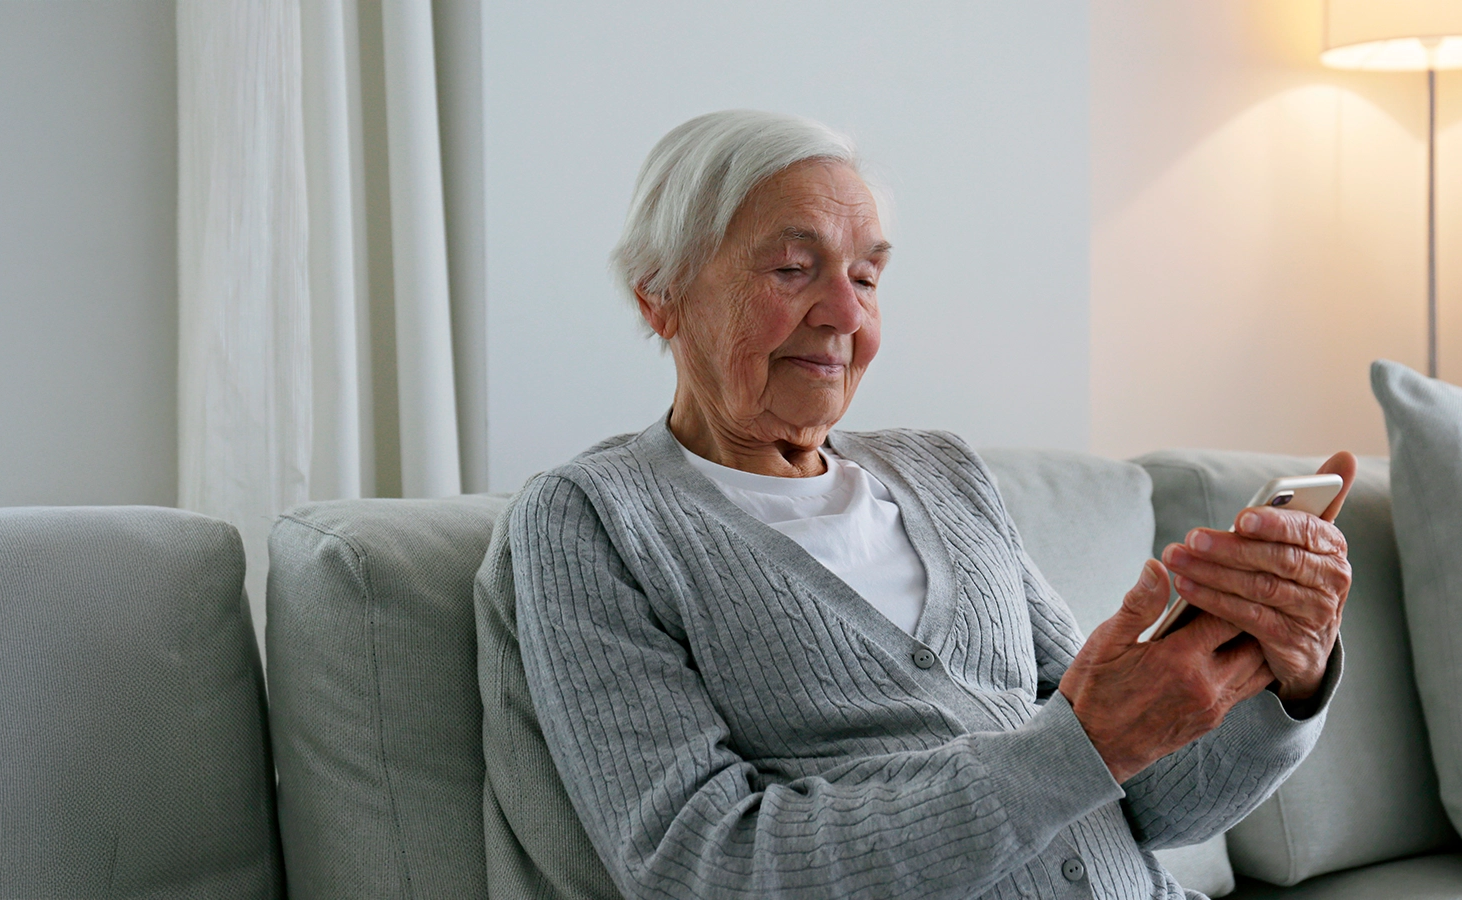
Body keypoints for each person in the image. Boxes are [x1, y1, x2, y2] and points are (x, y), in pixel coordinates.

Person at [486, 110, 1355, 899]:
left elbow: (1153, 804)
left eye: (866, 278)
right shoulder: (593, 521)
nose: (842, 315)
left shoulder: (944, 475)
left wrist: (1288, 675)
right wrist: (1076, 748)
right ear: (659, 296)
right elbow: (699, 864)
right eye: (793, 269)